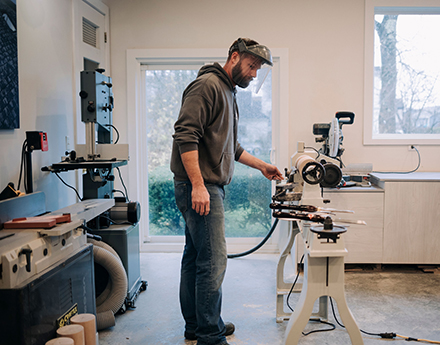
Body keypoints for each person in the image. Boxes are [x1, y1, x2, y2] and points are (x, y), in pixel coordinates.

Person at [170, 38, 283, 345]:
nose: (254, 74)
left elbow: (230, 146)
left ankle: (197, 325)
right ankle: (210, 335)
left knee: (195, 258)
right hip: (200, 185)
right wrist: (197, 185)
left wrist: (262, 166)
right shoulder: (207, 85)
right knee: (214, 261)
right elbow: (185, 134)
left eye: (258, 69)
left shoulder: (227, 91)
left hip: (205, 184)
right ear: (234, 57)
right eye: (252, 66)